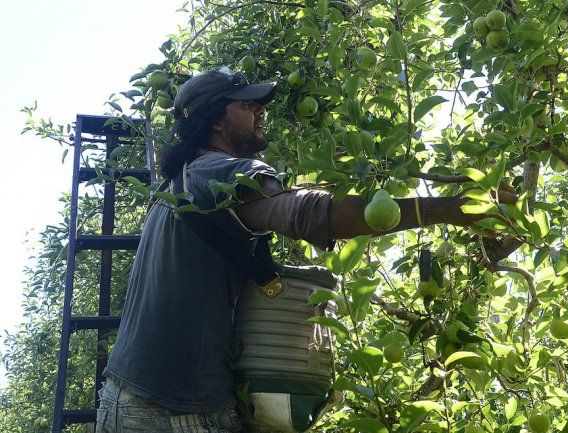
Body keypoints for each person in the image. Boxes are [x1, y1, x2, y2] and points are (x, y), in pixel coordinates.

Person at [95, 67, 518, 432]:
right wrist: (450, 208)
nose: (261, 110)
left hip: (121, 393)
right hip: (177, 410)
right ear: (216, 122)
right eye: (246, 105)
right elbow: (308, 215)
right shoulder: (226, 173)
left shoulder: (177, 185)